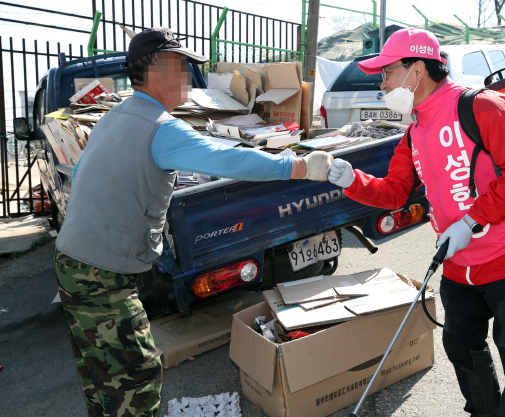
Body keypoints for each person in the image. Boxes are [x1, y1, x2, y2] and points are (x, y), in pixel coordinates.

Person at [54, 27, 332, 417]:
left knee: (102, 375)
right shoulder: (160, 126)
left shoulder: (116, 114)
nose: (188, 75)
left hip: (72, 262)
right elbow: (227, 160)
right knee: (136, 378)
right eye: (183, 65)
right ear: (159, 68)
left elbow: (83, 170)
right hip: (102, 274)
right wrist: (301, 165)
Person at [328, 28, 505, 417]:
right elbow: (395, 191)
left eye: (386, 72)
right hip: (459, 263)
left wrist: (472, 220)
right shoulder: (415, 128)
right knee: (461, 346)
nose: (381, 84)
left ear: (416, 70)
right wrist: (349, 179)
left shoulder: (484, 106)